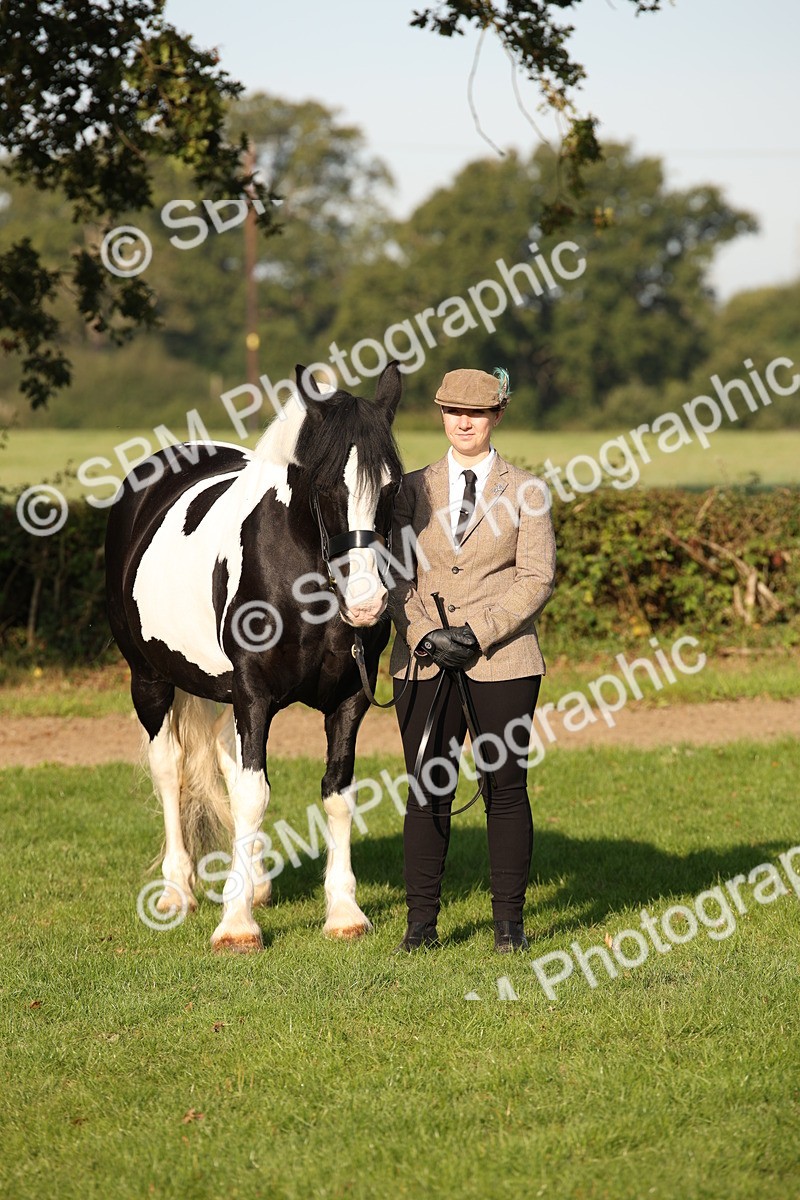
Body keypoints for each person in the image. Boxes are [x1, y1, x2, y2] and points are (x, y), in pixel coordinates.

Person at [387, 367, 556, 953]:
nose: (463, 421)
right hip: (422, 661)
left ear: (497, 416)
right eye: (452, 410)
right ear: (440, 414)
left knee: (504, 788)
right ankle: (421, 927)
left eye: (476, 412)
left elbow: (536, 578)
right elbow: (391, 575)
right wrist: (427, 634)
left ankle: (509, 925)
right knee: (426, 789)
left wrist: (475, 634)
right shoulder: (408, 489)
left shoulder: (527, 491)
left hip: (504, 661)